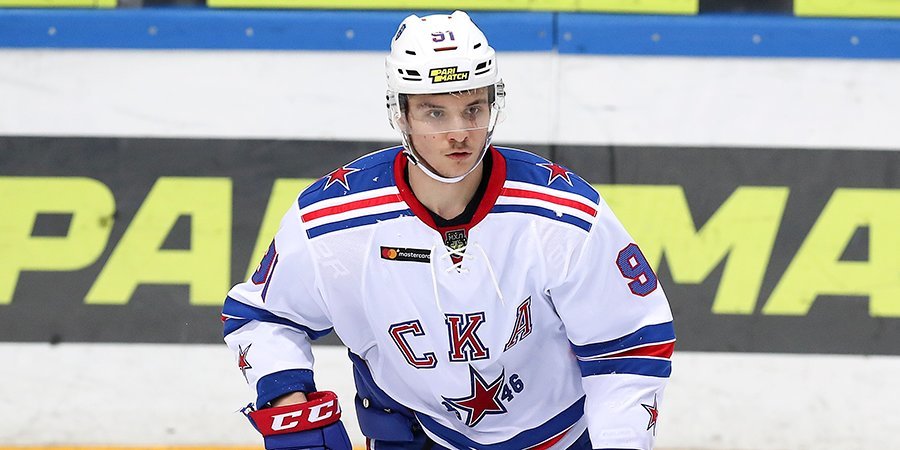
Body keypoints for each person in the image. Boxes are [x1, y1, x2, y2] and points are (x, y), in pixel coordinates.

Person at [223, 10, 675, 450]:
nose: (459, 133)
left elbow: (628, 346)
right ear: (400, 114)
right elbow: (264, 317)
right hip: (417, 429)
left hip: (564, 435)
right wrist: (287, 402)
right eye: (435, 113)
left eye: (473, 108)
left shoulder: (562, 215)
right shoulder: (331, 221)